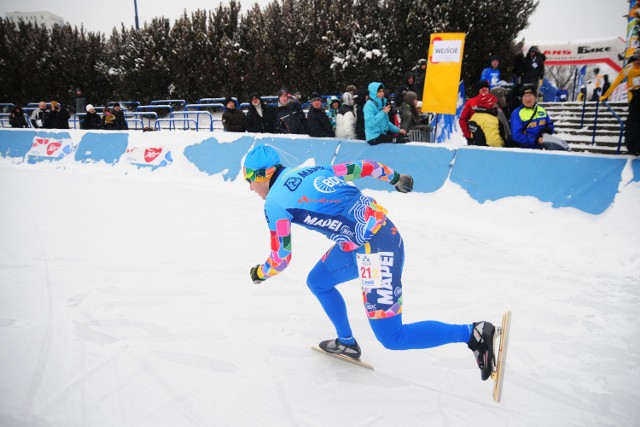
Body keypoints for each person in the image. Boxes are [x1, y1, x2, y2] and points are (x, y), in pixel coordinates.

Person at [243, 144, 497, 381]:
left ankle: (471, 333)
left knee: (393, 338)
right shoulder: (314, 169)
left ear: (262, 175)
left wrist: (260, 273)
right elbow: (367, 166)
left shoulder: (274, 203)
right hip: (363, 241)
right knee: (318, 281)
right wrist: (396, 179)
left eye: (249, 181)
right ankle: (347, 343)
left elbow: (281, 259)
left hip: (377, 250)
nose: (251, 188)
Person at [601, 49, 640, 154]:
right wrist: (605, 95)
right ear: (634, 59)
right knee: (634, 121)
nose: (638, 62)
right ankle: (634, 145)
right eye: (637, 60)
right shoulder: (628, 69)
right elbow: (616, 82)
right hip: (633, 95)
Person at [510, 85, 568, 150]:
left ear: (535, 97)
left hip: (540, 150)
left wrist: (549, 129)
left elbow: (549, 124)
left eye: (530, 95)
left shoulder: (541, 109)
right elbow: (516, 136)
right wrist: (536, 140)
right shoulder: (516, 113)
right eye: (525, 96)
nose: (527, 99)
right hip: (524, 151)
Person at [459, 80, 492, 144]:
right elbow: (462, 120)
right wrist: (468, 135)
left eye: (486, 87)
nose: (484, 89)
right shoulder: (471, 102)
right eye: (482, 87)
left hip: (491, 138)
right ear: (478, 90)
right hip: (475, 137)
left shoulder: (493, 102)